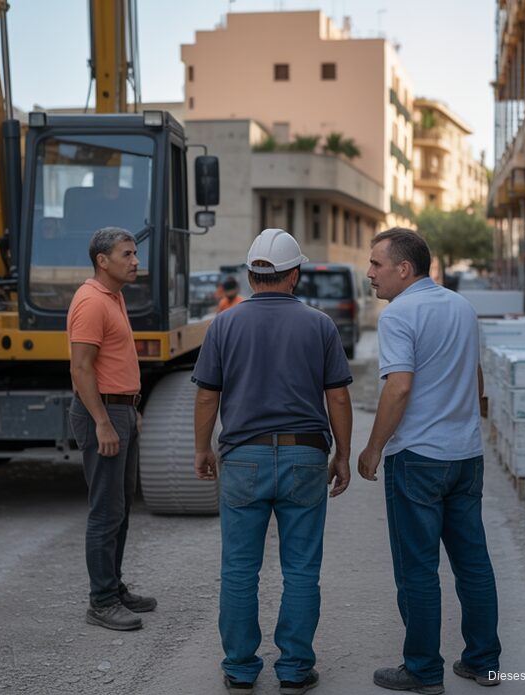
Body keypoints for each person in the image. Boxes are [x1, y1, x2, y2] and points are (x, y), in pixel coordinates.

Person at [192, 228, 354, 695]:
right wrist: (342, 454)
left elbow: (208, 398)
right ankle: (294, 669)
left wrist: (203, 448)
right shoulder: (319, 324)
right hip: (305, 455)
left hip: (244, 458)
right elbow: (338, 399)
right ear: (295, 275)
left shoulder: (224, 324)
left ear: (249, 275)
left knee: (240, 569)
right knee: (301, 568)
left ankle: (241, 669)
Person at [357, 228, 502, 694]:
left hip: (417, 458)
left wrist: (374, 446)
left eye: (377, 265)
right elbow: (476, 376)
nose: (370, 274)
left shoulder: (399, 314)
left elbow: (398, 387)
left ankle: (422, 670)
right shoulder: (461, 307)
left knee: (417, 569)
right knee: (473, 563)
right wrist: (466, 420)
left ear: (404, 269)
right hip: (465, 457)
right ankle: (483, 662)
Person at [67, 227, 158, 632]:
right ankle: (101, 601)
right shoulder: (90, 302)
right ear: (102, 261)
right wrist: (104, 421)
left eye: (135, 253)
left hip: (120, 409)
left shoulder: (114, 296)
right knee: (105, 512)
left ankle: (113, 587)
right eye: (127, 254)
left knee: (119, 510)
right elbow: (81, 368)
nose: (136, 261)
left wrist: (130, 408)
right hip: (100, 412)